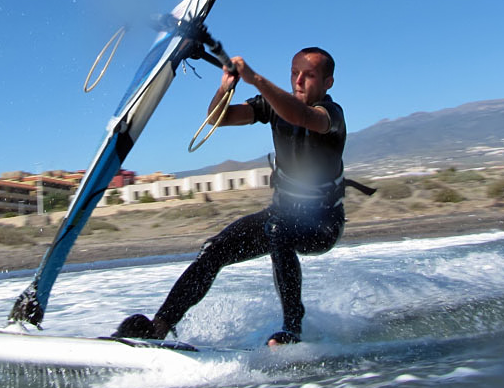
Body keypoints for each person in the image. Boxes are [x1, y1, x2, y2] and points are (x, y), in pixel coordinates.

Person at [114, 46, 346, 346]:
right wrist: (226, 87)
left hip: (322, 224)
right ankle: (159, 327)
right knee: (214, 250)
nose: (299, 81)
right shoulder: (273, 105)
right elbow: (217, 118)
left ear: (327, 82)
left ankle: (292, 329)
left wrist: (256, 79)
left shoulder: (331, 114)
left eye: (309, 75)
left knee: (279, 231)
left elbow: (301, 117)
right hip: (283, 214)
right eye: (294, 73)